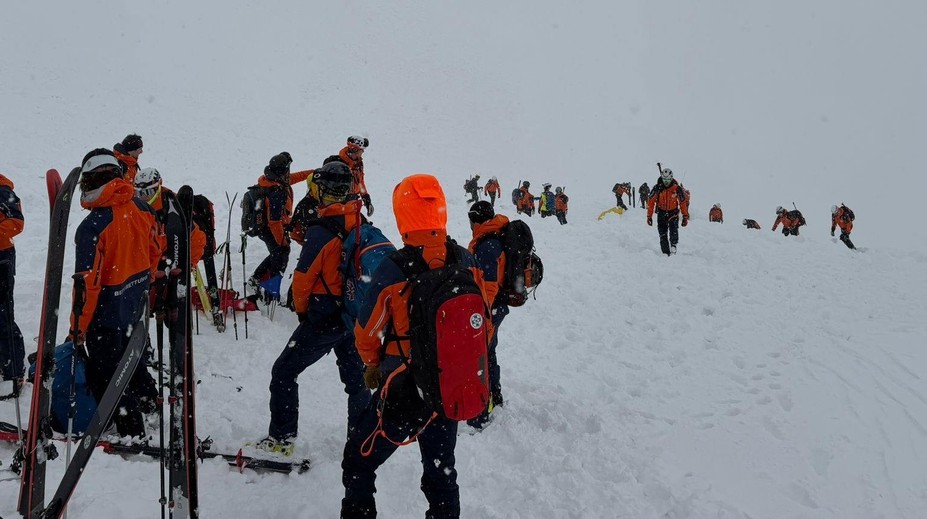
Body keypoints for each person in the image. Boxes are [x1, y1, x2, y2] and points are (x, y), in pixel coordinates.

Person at [342, 174, 488, 519]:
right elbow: (483, 324)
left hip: (405, 388)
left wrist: (373, 364)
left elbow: (366, 331)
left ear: (402, 214)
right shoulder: (465, 260)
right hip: (448, 385)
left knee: (359, 460)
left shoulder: (395, 268)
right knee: (441, 470)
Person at [257, 161, 369, 456]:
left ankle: (281, 439)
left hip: (325, 316)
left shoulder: (321, 231)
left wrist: (304, 313)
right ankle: (361, 439)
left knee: (283, 372)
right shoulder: (359, 221)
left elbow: (303, 281)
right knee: (356, 382)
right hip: (352, 313)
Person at [69, 149, 161, 438]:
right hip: (135, 301)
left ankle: (131, 430)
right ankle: (150, 401)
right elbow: (155, 250)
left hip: (106, 311)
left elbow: (87, 285)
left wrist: (77, 329)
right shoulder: (142, 208)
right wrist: (143, 282)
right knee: (131, 357)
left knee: (108, 374)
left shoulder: (93, 226)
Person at [464, 201, 511, 429]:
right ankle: (494, 397)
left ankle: (480, 413)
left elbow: (489, 286)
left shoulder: (488, 245)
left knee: (480, 356)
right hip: (496, 307)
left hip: (490, 309)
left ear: (476, 220)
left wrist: (481, 314)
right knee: (488, 352)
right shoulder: (493, 237)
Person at [246, 152, 312, 298]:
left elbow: (296, 177)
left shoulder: (273, 179)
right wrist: (282, 241)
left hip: (266, 227)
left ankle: (256, 280)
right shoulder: (275, 192)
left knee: (277, 254)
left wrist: (315, 172)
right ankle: (270, 293)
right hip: (267, 229)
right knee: (280, 256)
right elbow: (274, 222)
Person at [134, 168, 207, 267]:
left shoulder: (173, 207)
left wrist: (188, 264)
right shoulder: (133, 207)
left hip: (168, 261)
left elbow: (197, 239)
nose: (143, 197)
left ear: (158, 187)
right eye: (139, 193)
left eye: (148, 192)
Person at [0, 173, 25, 394]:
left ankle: (14, 370)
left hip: (2, 259)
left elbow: (17, 222)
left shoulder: (3, 190)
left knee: (3, 316)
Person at [646, 168, 689, 256]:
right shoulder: (657, 188)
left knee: (673, 230)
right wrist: (649, 216)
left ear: (671, 178)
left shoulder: (677, 188)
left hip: (673, 213)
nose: (666, 182)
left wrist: (685, 216)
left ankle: (673, 246)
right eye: (664, 180)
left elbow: (682, 202)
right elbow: (651, 202)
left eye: (668, 180)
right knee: (662, 234)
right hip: (661, 213)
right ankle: (665, 253)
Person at [333, 136, 374, 217]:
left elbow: (360, 183)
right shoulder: (337, 163)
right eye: (361, 150)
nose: (362, 153)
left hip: (352, 203)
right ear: (354, 150)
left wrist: (366, 199)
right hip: (339, 206)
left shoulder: (358, 164)